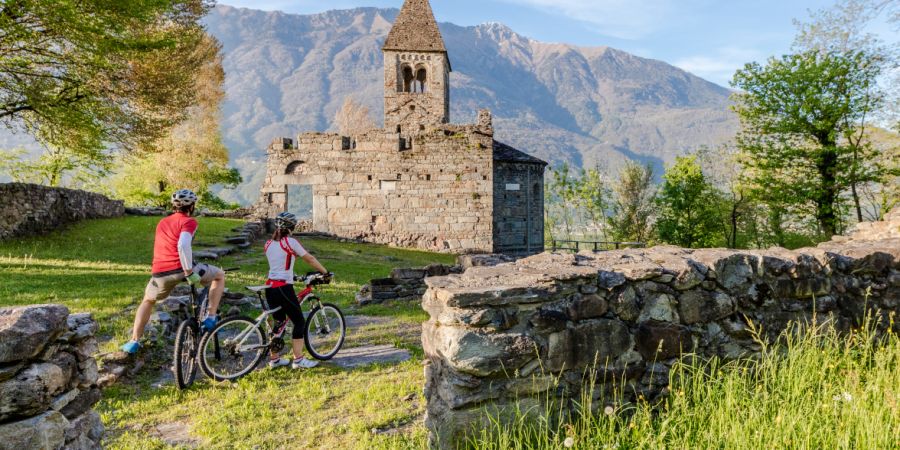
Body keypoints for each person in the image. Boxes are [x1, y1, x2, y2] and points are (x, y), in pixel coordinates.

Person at [121, 189, 226, 354]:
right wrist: (189, 271)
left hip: (160, 271)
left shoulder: (162, 222)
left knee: (148, 300)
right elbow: (183, 245)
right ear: (191, 206)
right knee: (219, 275)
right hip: (182, 268)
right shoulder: (189, 221)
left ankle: (134, 341)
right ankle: (211, 317)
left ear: (174, 206)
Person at [265, 212, 331, 370]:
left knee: (279, 322)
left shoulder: (268, 244)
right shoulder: (290, 242)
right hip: (283, 287)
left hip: (270, 286)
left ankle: (274, 359)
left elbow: (279, 264)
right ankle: (298, 359)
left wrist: (292, 276)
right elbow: (309, 259)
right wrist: (325, 272)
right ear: (291, 227)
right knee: (299, 322)